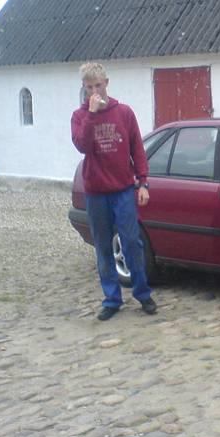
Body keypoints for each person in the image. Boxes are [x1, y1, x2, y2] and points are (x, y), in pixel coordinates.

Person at [71, 62, 157, 320]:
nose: (94, 90)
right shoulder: (80, 116)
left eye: (98, 85)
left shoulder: (124, 113)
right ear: (84, 89)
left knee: (132, 242)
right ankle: (111, 298)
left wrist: (143, 182)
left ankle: (142, 293)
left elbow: (137, 150)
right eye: (89, 87)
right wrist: (92, 114)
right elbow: (82, 146)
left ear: (106, 83)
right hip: (96, 192)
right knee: (103, 246)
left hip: (122, 189)